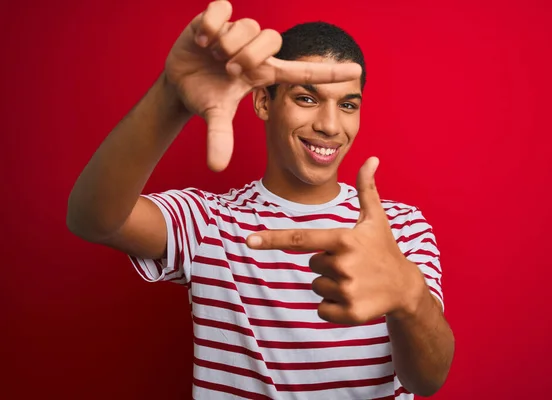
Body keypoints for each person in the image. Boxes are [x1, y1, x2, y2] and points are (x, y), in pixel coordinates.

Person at [66, 1, 455, 398]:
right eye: (307, 98)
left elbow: (429, 380)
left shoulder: (402, 227)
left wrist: (409, 295)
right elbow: (92, 220)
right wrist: (170, 96)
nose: (329, 125)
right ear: (263, 102)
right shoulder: (209, 222)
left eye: (348, 105)